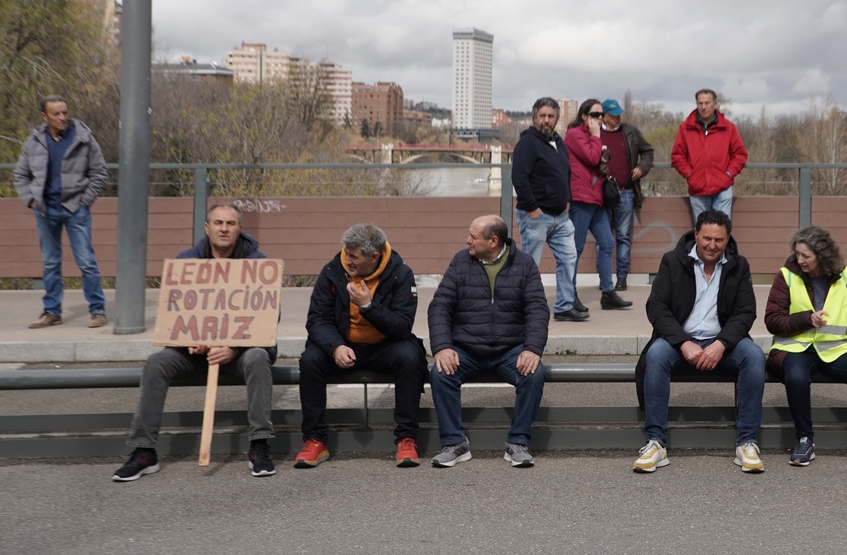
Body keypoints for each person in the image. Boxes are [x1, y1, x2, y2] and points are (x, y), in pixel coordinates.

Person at [112, 204, 275, 481]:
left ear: (240, 229)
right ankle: (143, 451)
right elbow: (176, 315)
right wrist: (191, 339)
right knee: (156, 363)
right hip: (193, 354)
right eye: (219, 222)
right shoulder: (186, 261)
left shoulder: (257, 264)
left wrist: (234, 347)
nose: (224, 228)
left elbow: (267, 320)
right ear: (207, 228)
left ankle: (259, 445)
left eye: (231, 223)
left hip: (239, 354)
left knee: (258, 358)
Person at [634, 209, 765, 473]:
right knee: (656, 356)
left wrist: (722, 344)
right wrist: (683, 342)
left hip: (723, 342)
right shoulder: (672, 261)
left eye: (719, 240)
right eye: (706, 238)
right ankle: (656, 442)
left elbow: (746, 311)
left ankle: (747, 442)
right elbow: (656, 307)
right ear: (696, 234)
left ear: (728, 239)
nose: (712, 245)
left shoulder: (739, 265)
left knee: (754, 356)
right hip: (679, 342)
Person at [294, 223, 426, 469]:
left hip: (384, 346)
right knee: (310, 359)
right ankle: (314, 439)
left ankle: (406, 437)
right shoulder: (333, 271)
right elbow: (317, 320)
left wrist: (368, 306)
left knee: (410, 355)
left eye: (354, 256)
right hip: (344, 345)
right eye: (346, 253)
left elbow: (402, 327)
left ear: (374, 257)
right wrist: (335, 347)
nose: (348, 260)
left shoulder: (401, 273)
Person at [427, 215, 550, 467]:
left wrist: (532, 349)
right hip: (466, 349)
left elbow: (537, 310)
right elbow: (440, 307)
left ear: (494, 241)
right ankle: (454, 443)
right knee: (440, 372)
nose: (467, 240)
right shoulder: (461, 262)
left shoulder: (525, 264)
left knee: (534, 373)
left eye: (473, 236)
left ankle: (517, 442)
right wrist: (442, 347)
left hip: (509, 349)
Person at [765, 226, 847, 469]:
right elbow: (772, 320)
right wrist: (807, 319)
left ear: (822, 255)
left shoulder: (845, 275)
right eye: (797, 254)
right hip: (797, 347)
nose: (800, 260)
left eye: (806, 256)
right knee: (796, 376)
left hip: (837, 348)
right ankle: (804, 439)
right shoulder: (786, 275)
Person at [13, 95, 109, 329]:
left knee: (86, 262)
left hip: (76, 208)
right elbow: (20, 174)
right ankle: (52, 312)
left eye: (65, 112)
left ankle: (97, 311)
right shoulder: (35, 141)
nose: (63, 117)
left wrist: (84, 201)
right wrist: (31, 200)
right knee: (50, 263)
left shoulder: (83, 138)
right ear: (44, 117)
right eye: (56, 114)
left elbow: (100, 173)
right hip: (46, 210)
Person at [512, 97, 584, 322]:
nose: (546, 120)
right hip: (536, 216)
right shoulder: (527, 143)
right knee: (530, 263)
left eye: (550, 116)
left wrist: (567, 200)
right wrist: (532, 208)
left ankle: (564, 306)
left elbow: (566, 174)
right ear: (534, 118)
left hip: (561, 216)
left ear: (557, 119)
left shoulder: (558, 142)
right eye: (542, 116)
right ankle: (523, 309)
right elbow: (519, 178)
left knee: (569, 258)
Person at [565, 99, 631, 311]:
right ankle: (569, 294)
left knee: (608, 243)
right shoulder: (575, 134)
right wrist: (596, 137)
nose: (599, 119)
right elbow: (593, 159)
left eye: (601, 115)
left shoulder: (593, 136)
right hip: (582, 198)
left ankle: (608, 293)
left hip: (597, 199)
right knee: (576, 248)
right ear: (584, 116)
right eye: (594, 115)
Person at [598, 98, 654, 292]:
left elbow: (648, 152)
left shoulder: (629, 131)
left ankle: (621, 278)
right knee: (603, 239)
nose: (618, 118)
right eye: (614, 115)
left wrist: (641, 168)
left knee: (623, 237)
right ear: (604, 116)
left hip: (626, 192)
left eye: (619, 114)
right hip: (601, 193)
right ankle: (605, 279)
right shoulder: (594, 133)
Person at [670, 88, 748, 222]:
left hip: (722, 188)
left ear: (715, 104)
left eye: (707, 103)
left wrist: (728, 174)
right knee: (702, 231)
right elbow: (677, 155)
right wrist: (690, 174)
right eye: (700, 103)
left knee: (722, 229)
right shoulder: (685, 128)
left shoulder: (728, 127)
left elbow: (740, 154)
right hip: (698, 188)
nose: (703, 107)